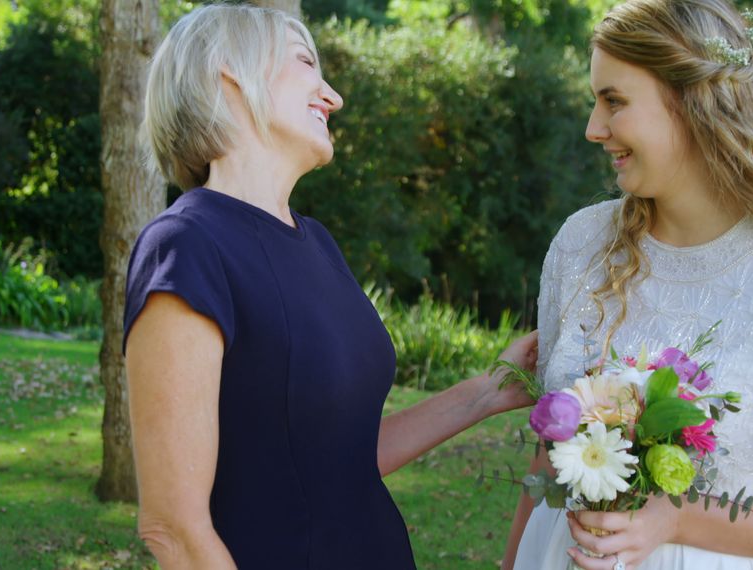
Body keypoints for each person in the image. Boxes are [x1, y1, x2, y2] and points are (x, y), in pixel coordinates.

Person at [121, 4, 537, 569]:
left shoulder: (316, 243)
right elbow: (173, 528)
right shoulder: (187, 245)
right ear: (229, 72)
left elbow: (338, 458)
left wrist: (488, 392)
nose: (332, 96)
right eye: (305, 63)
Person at [501, 1, 753, 569]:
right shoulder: (581, 244)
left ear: (694, 101)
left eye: (614, 101)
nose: (595, 129)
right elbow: (551, 458)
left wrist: (678, 518)